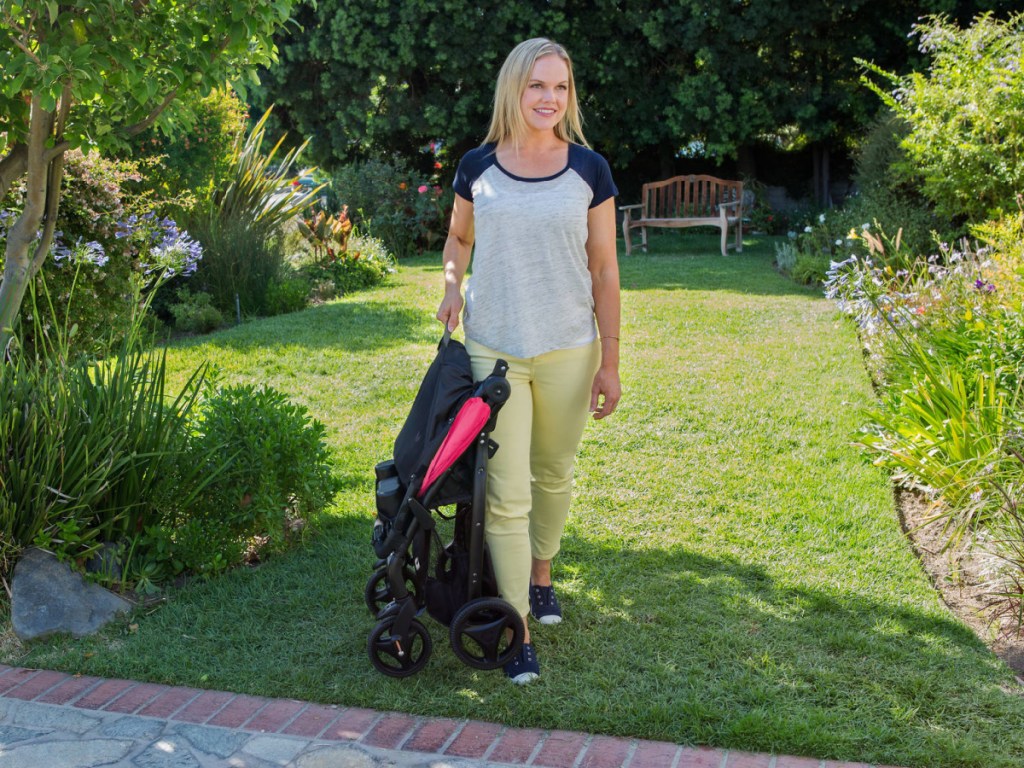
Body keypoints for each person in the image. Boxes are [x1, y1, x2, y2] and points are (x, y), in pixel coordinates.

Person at [436, 37, 621, 684]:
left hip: (571, 346)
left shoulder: (589, 170)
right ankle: (515, 628)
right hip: (495, 350)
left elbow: (604, 269)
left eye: (561, 87)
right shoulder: (477, 166)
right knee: (508, 493)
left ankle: (543, 575)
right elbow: (459, 237)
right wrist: (452, 283)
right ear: (514, 89)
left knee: (553, 473)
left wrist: (611, 361)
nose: (549, 98)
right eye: (537, 85)